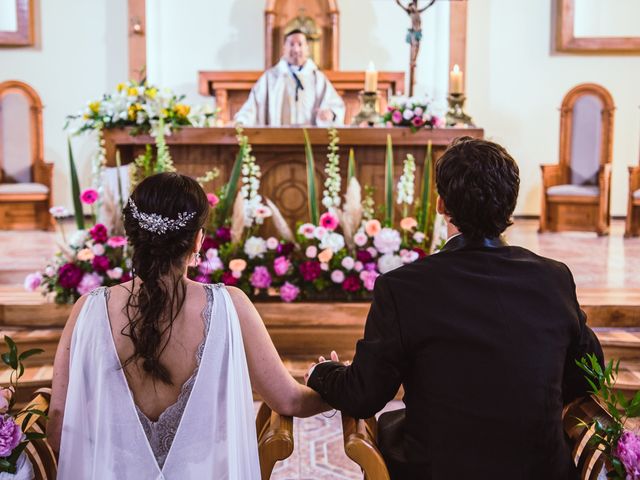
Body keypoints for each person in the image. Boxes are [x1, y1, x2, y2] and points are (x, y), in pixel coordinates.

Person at [306, 137, 604, 479]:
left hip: (441, 469)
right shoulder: (554, 278)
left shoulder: (404, 287)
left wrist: (323, 373)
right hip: (540, 470)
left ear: (440, 204)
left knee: (394, 426)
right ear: (510, 206)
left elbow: (364, 396)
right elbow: (589, 374)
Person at [49, 172, 327, 479]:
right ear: (198, 239)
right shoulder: (229, 306)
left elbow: (59, 431)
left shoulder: (87, 311)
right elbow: (289, 400)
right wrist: (336, 385)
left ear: (132, 236)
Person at [234, 29, 345, 126]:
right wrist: (240, 122)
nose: (296, 50)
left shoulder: (318, 79)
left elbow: (336, 106)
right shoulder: (270, 78)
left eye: (300, 44)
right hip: (278, 141)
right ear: (284, 49)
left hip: (311, 142)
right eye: (291, 44)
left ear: (307, 49)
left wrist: (330, 113)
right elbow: (252, 106)